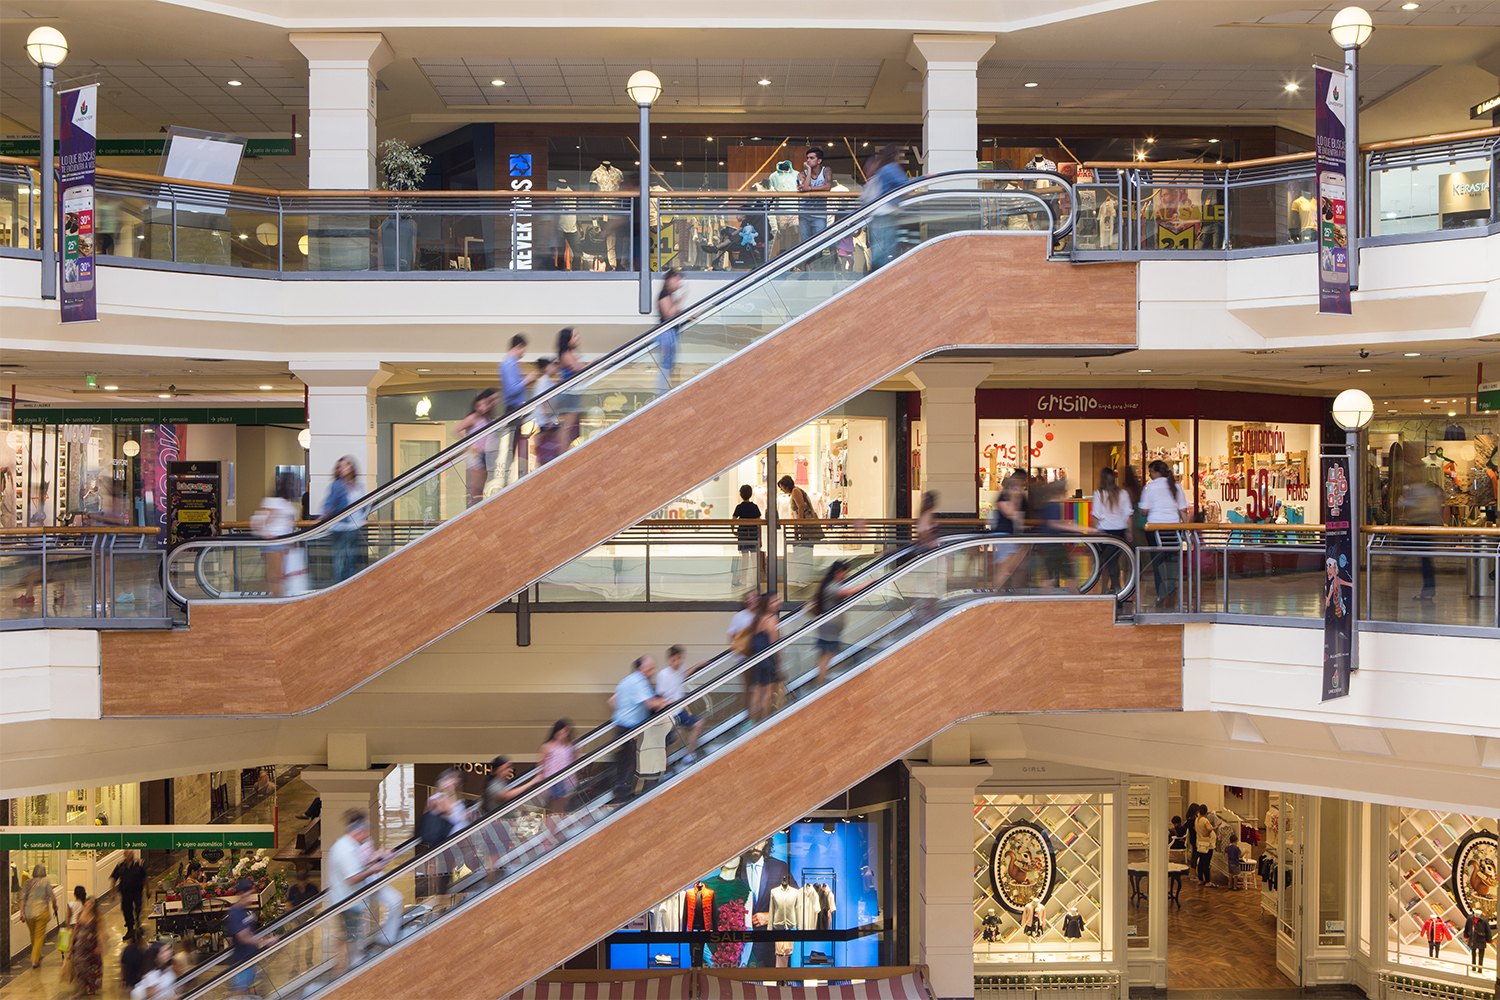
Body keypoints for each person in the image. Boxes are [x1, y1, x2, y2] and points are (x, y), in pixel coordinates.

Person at [326, 810, 402, 975]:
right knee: (350, 936)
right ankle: (347, 970)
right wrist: (373, 868)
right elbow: (352, 878)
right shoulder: (344, 849)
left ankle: (353, 965)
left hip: (353, 899)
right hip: (347, 900)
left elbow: (360, 865)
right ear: (358, 832)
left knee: (353, 934)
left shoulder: (349, 846)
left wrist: (375, 860)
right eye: (365, 834)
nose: (366, 837)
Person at [609, 656, 667, 801]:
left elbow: (612, 701)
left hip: (620, 726)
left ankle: (620, 790)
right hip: (631, 729)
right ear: (640, 669)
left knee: (626, 760)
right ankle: (624, 795)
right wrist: (668, 702)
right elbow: (651, 704)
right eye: (650, 669)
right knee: (632, 762)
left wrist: (624, 712)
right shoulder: (639, 681)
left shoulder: (626, 681)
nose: (652, 672)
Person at [1139, 460, 1190, 607]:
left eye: (1151, 471)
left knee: (1158, 564)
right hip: (1173, 528)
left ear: (1156, 472)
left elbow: (1144, 510)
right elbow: (1183, 510)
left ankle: (1162, 595)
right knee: (1173, 563)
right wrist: (1187, 529)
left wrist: (1145, 511)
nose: (1150, 474)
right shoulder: (1176, 487)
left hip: (1154, 529)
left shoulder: (1150, 488)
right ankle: (1172, 596)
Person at [251, 475, 305, 597]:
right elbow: (260, 521)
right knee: (275, 576)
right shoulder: (275, 502)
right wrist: (265, 533)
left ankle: (277, 598)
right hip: (275, 543)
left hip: (283, 543)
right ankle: (276, 600)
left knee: (279, 575)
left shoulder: (284, 502)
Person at [810, 561, 862, 685]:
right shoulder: (832, 587)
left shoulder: (829, 585)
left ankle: (822, 679)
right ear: (838, 572)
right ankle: (821, 683)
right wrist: (869, 582)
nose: (846, 575)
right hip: (830, 627)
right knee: (826, 656)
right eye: (845, 572)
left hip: (828, 627)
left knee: (825, 656)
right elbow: (846, 592)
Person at [498, 334, 537, 486]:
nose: (523, 354)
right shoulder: (508, 364)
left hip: (517, 409)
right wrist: (527, 380)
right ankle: (506, 480)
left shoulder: (513, 364)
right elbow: (511, 390)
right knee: (511, 447)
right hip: (513, 409)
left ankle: (509, 479)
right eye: (523, 350)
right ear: (518, 346)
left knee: (514, 446)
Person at [861, 144, 908, 270]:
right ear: (895, 155)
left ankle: (877, 275)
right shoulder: (891, 168)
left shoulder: (883, 170)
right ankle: (882, 277)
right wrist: (924, 178)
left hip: (878, 213)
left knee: (879, 248)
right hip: (886, 213)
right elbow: (907, 185)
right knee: (886, 249)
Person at [223, 878, 273, 995]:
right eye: (249, 894)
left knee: (252, 991)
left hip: (250, 961)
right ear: (242, 894)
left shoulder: (245, 911)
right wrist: (265, 941)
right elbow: (243, 937)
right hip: (241, 963)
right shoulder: (235, 913)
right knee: (242, 993)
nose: (251, 897)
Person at [655, 647, 704, 764]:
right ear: (670, 659)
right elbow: (660, 699)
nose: (680, 661)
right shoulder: (663, 675)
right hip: (668, 713)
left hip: (680, 711)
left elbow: (683, 675)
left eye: (681, 659)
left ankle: (689, 754)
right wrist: (675, 701)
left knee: (698, 724)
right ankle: (663, 771)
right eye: (677, 659)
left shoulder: (679, 670)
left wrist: (697, 666)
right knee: (668, 744)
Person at [322, 456, 366, 583]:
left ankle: (350, 590)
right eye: (340, 466)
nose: (342, 468)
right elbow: (330, 503)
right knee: (341, 562)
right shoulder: (337, 485)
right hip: (341, 528)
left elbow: (360, 505)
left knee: (352, 561)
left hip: (354, 527)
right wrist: (323, 516)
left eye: (346, 465)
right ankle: (340, 588)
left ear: (352, 467)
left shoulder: (358, 485)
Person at [1399, 476, 1443, 600]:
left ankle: (1428, 591)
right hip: (1424, 530)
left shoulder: (1425, 494)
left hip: (1422, 529)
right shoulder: (1429, 495)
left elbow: (1422, 513)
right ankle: (1428, 591)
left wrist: (1410, 517)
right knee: (1426, 560)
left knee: (1425, 561)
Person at [1091, 467, 1133, 593]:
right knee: (1113, 560)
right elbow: (1128, 514)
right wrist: (1129, 532)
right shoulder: (1123, 493)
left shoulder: (1099, 493)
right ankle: (1114, 588)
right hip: (1119, 531)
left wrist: (1092, 531)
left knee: (1105, 561)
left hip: (1103, 531)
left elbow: (1097, 515)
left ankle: (1110, 588)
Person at [455, 388, 500, 507]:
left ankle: (477, 508)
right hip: (475, 454)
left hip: (485, 453)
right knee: (475, 487)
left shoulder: (488, 418)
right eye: (478, 405)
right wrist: (469, 445)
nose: (481, 408)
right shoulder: (473, 417)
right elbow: (457, 430)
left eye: (484, 405)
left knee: (481, 486)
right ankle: (472, 510)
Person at [778, 474, 821, 590]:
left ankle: (803, 577)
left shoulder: (796, 491)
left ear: (787, 485)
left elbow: (801, 507)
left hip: (805, 527)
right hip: (804, 527)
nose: (781, 489)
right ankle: (803, 577)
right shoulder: (795, 491)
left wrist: (800, 525)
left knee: (804, 551)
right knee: (805, 551)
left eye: (782, 487)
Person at [747, 592, 783, 724]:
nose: (778, 603)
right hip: (768, 660)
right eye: (774, 601)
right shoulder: (772, 619)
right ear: (767, 605)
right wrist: (778, 665)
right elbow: (775, 644)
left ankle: (751, 723)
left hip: (757, 660)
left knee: (757, 692)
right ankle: (763, 722)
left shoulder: (758, 618)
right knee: (767, 693)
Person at [796, 147, 833, 268]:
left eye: (812, 158)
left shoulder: (826, 170)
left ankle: (817, 270)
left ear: (819, 160)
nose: (808, 160)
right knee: (805, 245)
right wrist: (808, 170)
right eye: (807, 158)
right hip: (805, 214)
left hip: (819, 214)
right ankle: (807, 270)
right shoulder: (802, 173)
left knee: (819, 244)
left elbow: (827, 187)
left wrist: (810, 189)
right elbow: (805, 188)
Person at [21, 862, 61, 969]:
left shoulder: (27, 883)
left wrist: (22, 912)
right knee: (39, 936)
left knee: (33, 934)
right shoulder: (45, 882)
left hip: (29, 912)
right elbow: (52, 897)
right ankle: (34, 960)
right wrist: (55, 906)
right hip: (42, 911)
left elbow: (22, 898)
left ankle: (38, 954)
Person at [555, 327, 587, 448]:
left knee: (571, 427)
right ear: (568, 340)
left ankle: (564, 451)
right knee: (567, 427)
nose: (577, 338)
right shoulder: (566, 355)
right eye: (574, 336)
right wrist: (595, 361)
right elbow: (578, 369)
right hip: (569, 394)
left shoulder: (571, 354)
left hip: (573, 394)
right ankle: (561, 455)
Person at [656, 269, 685, 396]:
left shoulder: (669, 295)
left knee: (670, 365)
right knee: (666, 365)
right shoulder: (664, 294)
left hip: (671, 334)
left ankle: (665, 392)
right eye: (677, 279)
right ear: (669, 280)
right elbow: (668, 315)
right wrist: (680, 300)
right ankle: (661, 393)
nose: (679, 283)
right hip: (666, 334)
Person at [71, 895, 103, 998]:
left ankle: (90, 986)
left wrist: (99, 946)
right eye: (88, 903)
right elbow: (76, 928)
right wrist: (72, 942)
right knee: (79, 964)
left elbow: (100, 931)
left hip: (92, 945)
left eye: (91, 903)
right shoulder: (80, 914)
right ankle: (83, 984)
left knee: (93, 966)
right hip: (80, 945)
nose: (89, 905)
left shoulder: (96, 917)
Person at [110, 849, 148, 935]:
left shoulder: (139, 865)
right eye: (127, 854)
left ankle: (138, 923)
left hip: (137, 891)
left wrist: (148, 890)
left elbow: (146, 878)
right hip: (125, 893)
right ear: (124, 855)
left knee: (138, 908)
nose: (129, 855)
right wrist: (112, 893)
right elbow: (114, 879)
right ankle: (130, 928)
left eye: (131, 853)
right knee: (126, 910)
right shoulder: (120, 866)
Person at [731, 485, 762, 588]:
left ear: (740, 494)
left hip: (743, 534)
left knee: (744, 557)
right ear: (751, 494)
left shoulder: (739, 507)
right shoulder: (755, 507)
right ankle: (755, 580)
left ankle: (743, 580)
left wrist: (733, 531)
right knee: (754, 558)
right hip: (753, 534)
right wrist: (760, 537)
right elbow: (759, 522)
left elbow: (733, 520)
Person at [1195, 806, 1219, 887]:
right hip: (1207, 844)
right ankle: (1208, 881)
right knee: (1206, 863)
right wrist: (1208, 833)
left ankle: (1201, 879)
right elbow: (1209, 829)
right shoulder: (1205, 820)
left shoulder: (1197, 819)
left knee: (1201, 862)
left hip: (1200, 843)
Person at [121, 927, 148, 993]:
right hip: (138, 981)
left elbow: (123, 965)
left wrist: (124, 980)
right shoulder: (141, 953)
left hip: (130, 980)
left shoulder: (127, 949)